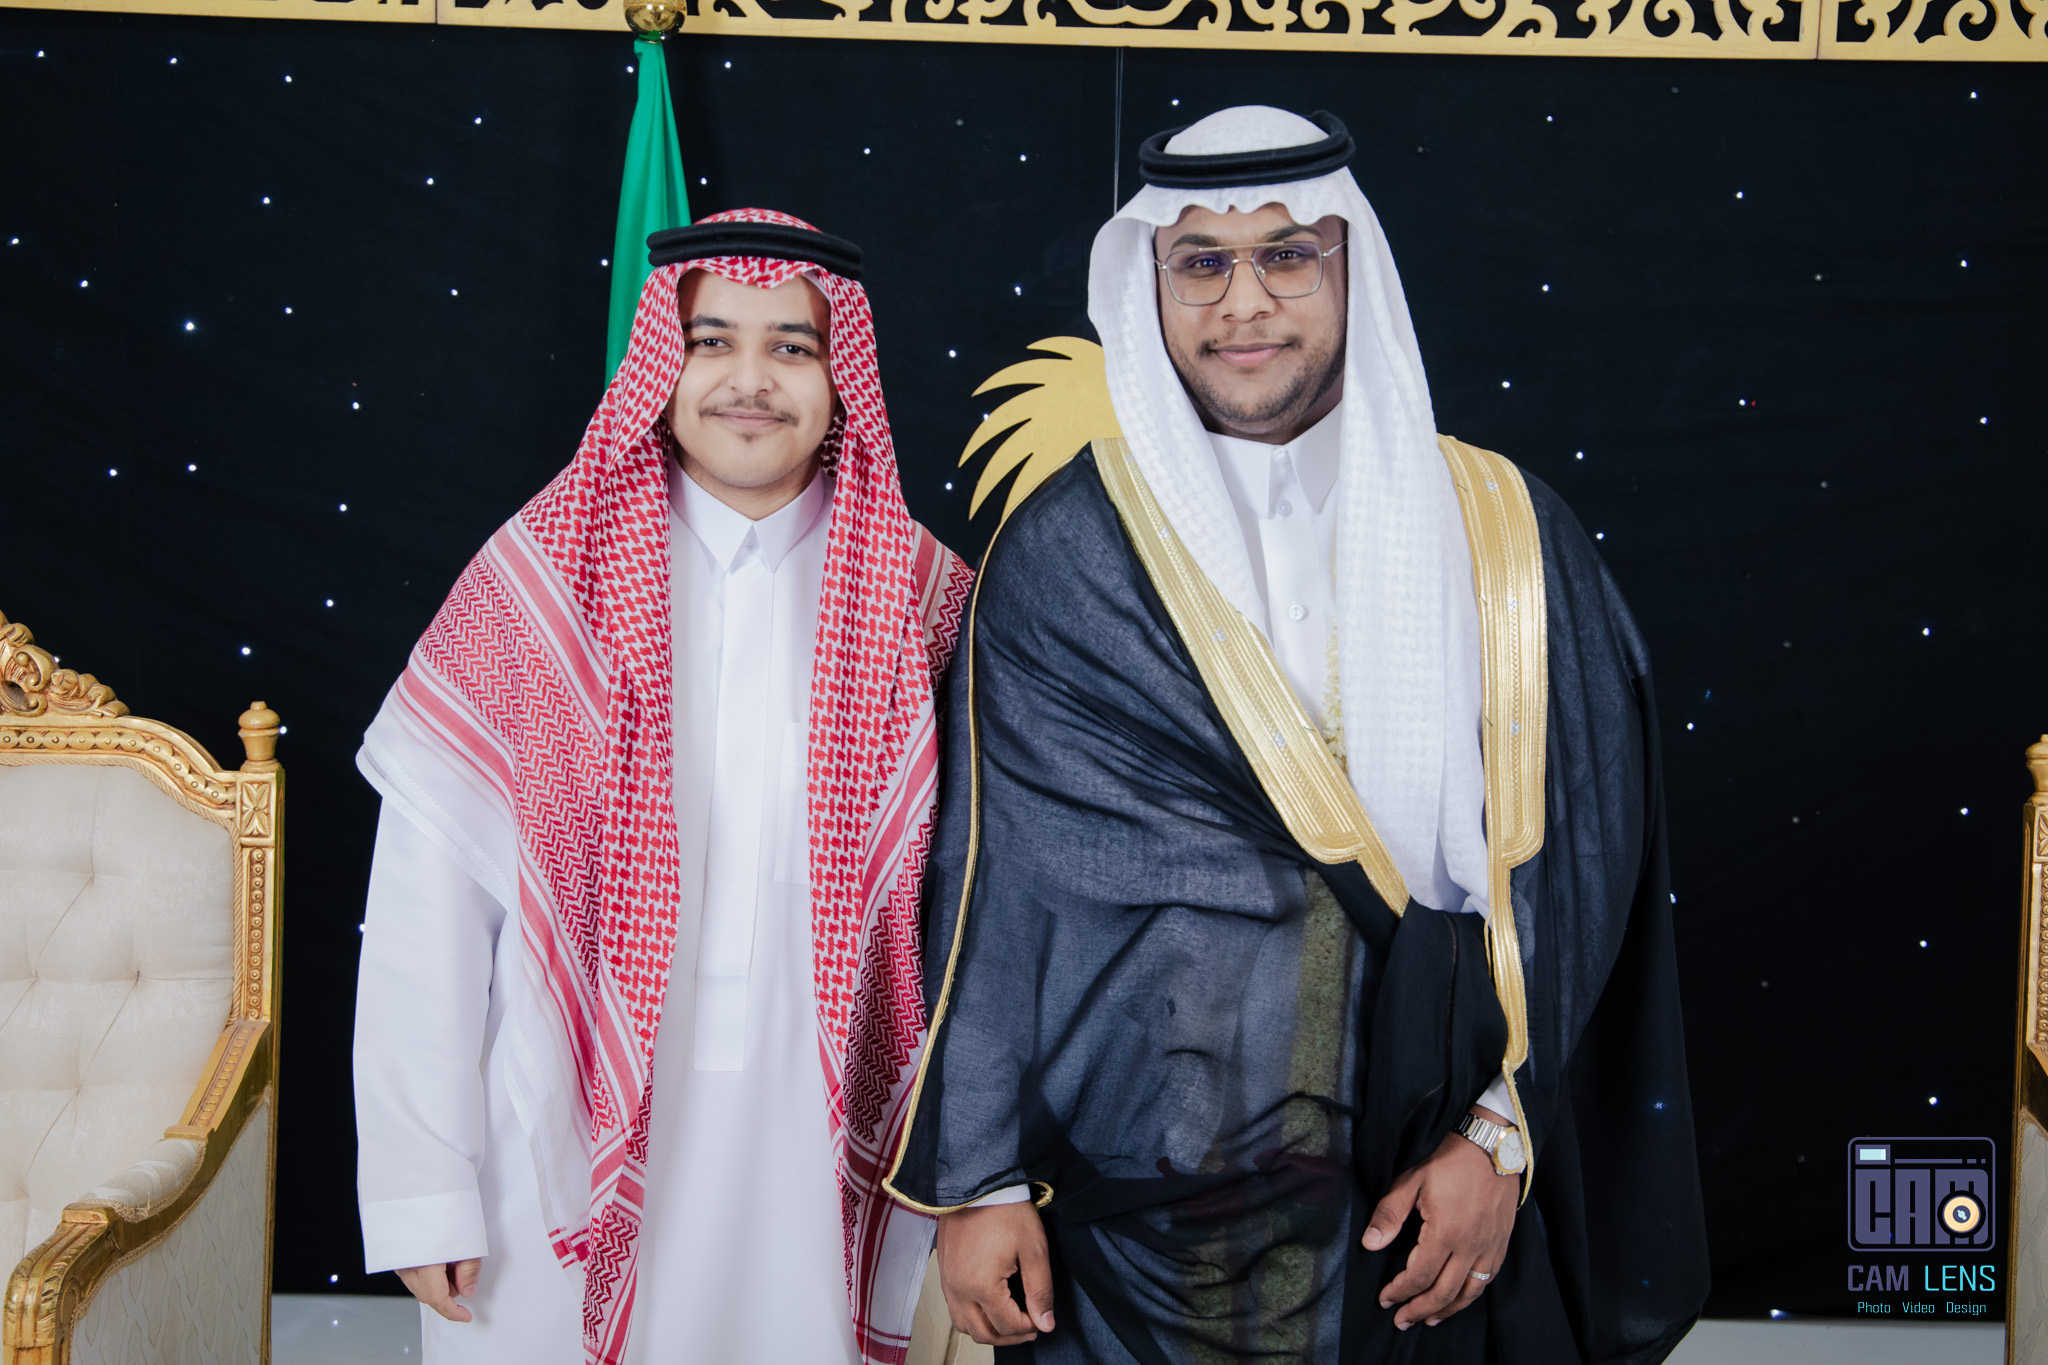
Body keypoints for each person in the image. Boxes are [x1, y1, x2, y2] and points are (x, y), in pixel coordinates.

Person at [886, 107, 1709, 1363]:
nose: (1243, 304)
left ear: (1349, 268)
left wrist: (1500, 1134)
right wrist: (979, 1180)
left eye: (1286, 255)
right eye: (1200, 263)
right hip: (1141, 1203)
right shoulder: (1068, 551)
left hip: (1423, 1184)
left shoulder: (1504, 534)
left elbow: (1586, 858)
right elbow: (1000, 889)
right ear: (1150, 286)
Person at [352, 209, 973, 1365]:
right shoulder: (537, 583)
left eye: (792, 346)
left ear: (842, 377)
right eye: (709, 341)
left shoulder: (927, 603)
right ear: (658, 365)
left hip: (812, 1152)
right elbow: (425, 911)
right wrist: (421, 1181)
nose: (750, 380)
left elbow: (984, 919)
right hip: (549, 1140)